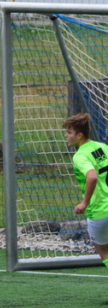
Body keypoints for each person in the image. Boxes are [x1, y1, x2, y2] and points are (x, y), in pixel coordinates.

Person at [63, 112, 108, 266]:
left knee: (103, 250)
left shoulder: (80, 156)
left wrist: (84, 203)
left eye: (69, 132)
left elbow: (92, 176)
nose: (66, 135)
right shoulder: (102, 147)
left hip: (100, 210)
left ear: (80, 135)